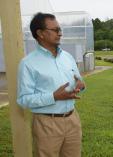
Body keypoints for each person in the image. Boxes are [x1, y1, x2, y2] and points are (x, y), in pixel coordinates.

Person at [17, 12, 85, 157]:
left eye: (60, 29)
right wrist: (53, 96)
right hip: (47, 124)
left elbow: (77, 79)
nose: (60, 33)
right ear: (40, 33)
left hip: (73, 119)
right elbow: (24, 100)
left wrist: (80, 84)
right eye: (55, 30)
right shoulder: (28, 63)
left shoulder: (67, 57)